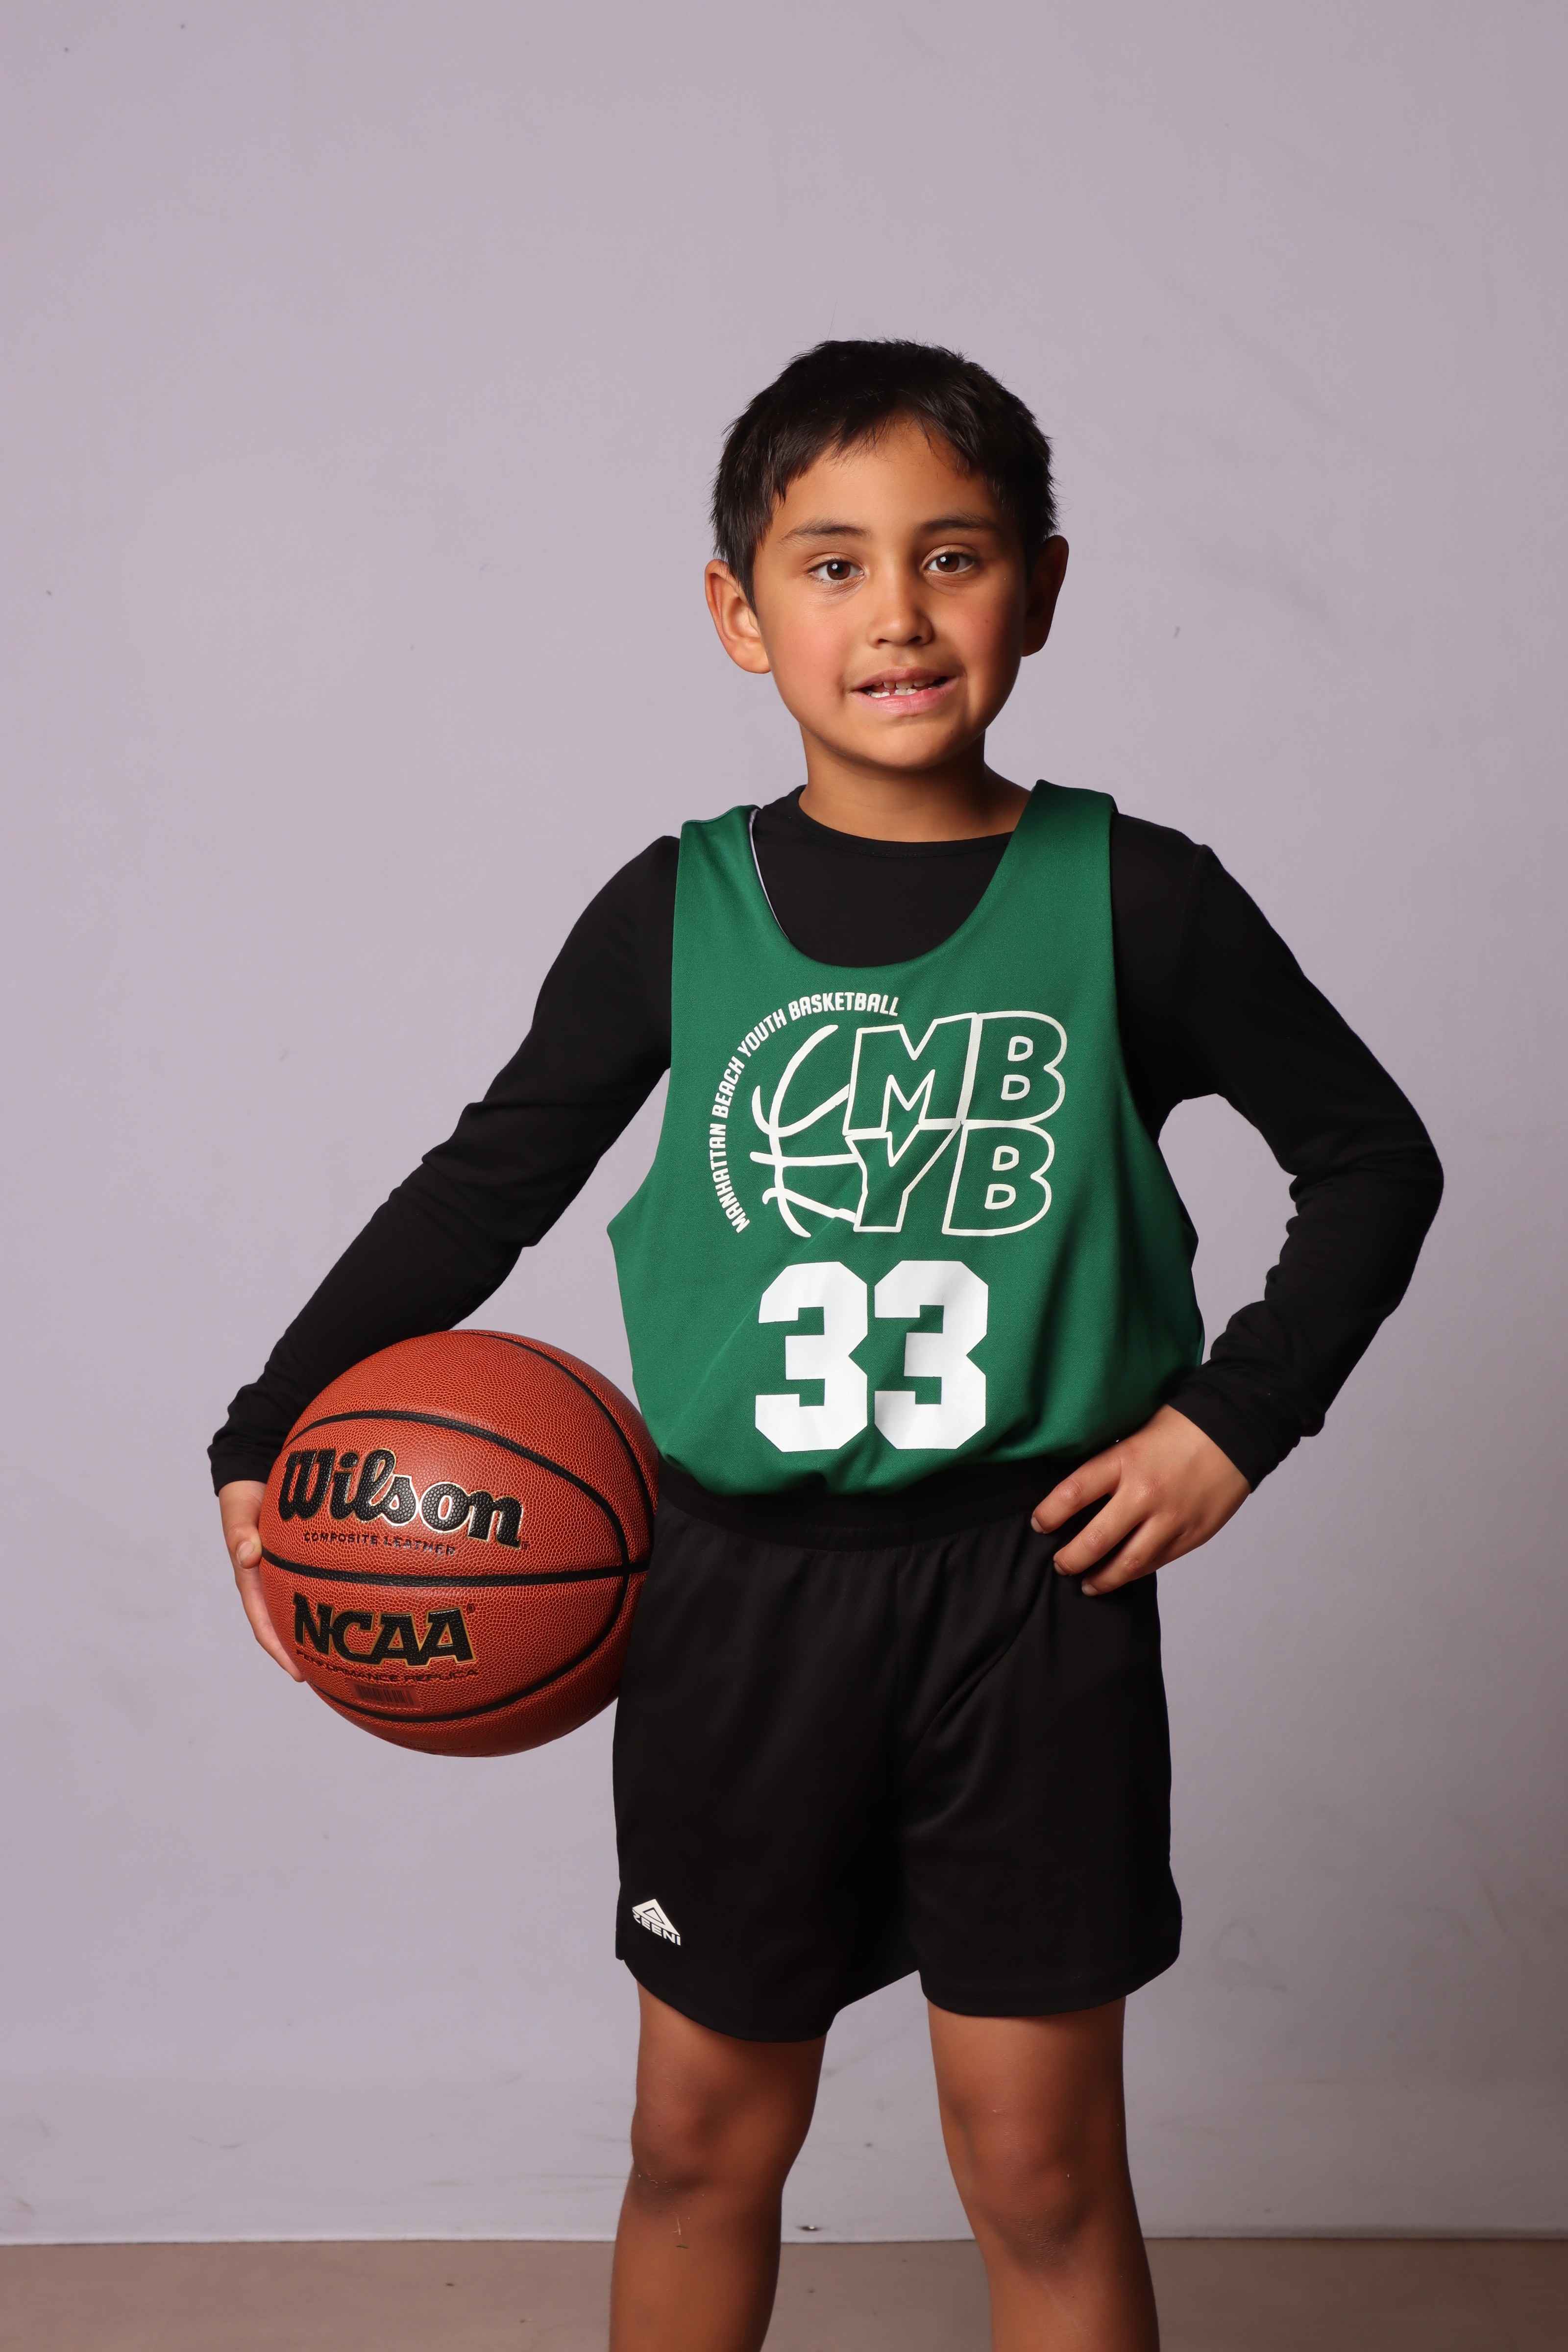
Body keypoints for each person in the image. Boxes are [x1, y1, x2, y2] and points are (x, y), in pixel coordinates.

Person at [212, 340, 1442, 2351]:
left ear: (1040, 589)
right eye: (833, 564)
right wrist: (265, 1425)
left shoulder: (1136, 900)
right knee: (698, 2144)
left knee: (1040, 2170)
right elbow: (480, 1188)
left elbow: (1372, 1160)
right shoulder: (675, 909)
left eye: (953, 558)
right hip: (732, 1604)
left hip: (1029, 1603)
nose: (896, 616)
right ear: (739, 611)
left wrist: (1232, 1420)